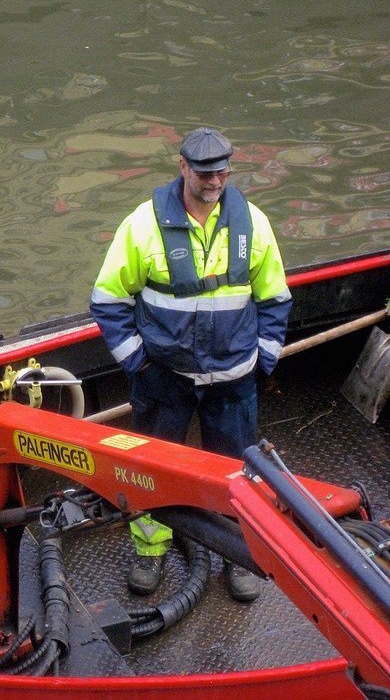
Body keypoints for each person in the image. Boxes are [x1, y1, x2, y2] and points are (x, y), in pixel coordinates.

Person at [89, 127, 292, 602]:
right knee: (150, 468)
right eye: (203, 172)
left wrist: (263, 359)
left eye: (222, 170)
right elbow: (108, 299)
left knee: (239, 472)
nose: (214, 180)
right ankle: (150, 546)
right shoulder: (143, 225)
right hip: (165, 378)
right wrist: (138, 363)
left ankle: (240, 552)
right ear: (183, 167)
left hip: (234, 377)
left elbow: (275, 297)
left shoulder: (253, 224)